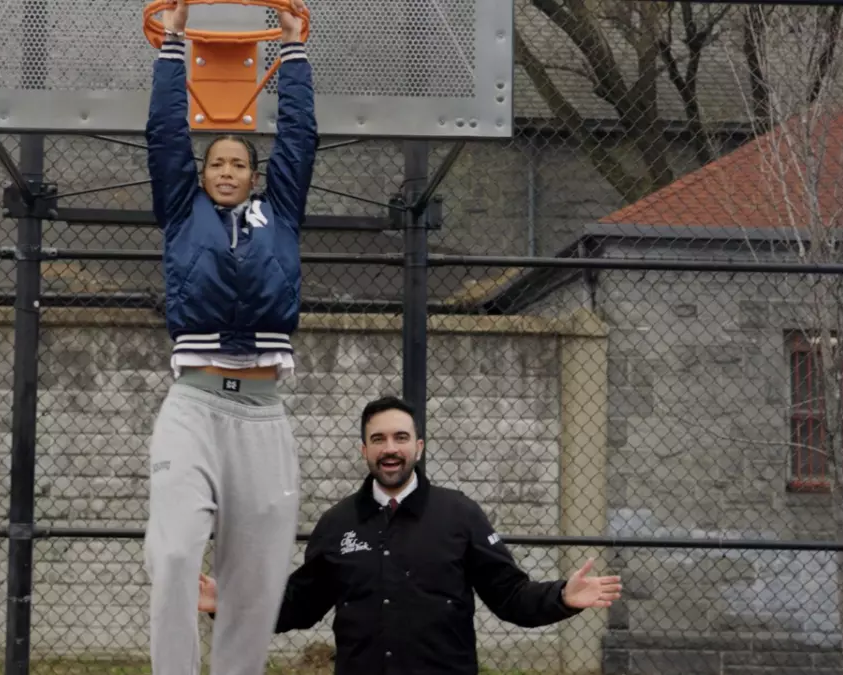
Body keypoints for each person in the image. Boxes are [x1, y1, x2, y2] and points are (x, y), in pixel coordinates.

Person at [197, 396, 623, 675]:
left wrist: (563, 596)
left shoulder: (460, 515)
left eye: (401, 438)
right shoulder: (337, 524)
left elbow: (510, 596)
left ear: (418, 447)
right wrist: (230, 603)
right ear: (364, 450)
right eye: (378, 439)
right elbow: (297, 606)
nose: (390, 448)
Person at [141, 0, 317, 674]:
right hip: (194, 404)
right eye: (215, 161)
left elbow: (298, 136)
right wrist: (174, 44)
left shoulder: (283, 213)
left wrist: (293, 52)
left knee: (257, 581)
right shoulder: (181, 211)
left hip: (264, 413)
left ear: (252, 174)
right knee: (178, 554)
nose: (225, 170)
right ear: (202, 171)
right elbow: (164, 134)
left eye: (238, 163)